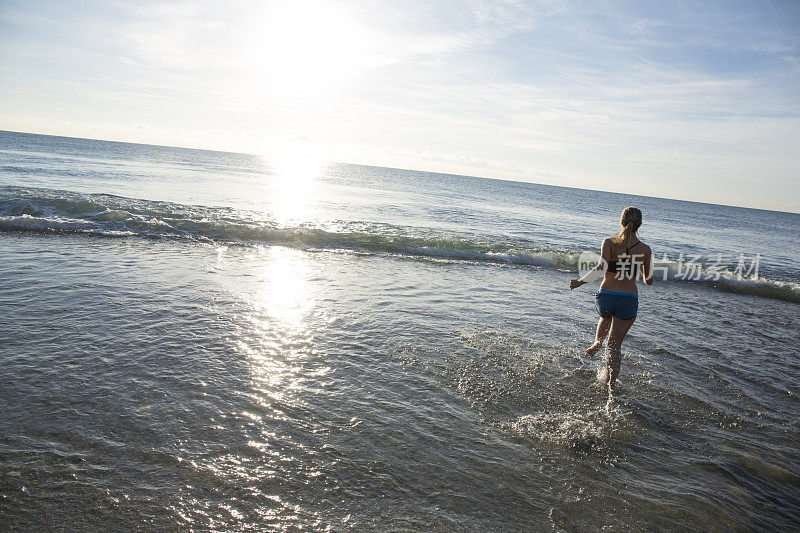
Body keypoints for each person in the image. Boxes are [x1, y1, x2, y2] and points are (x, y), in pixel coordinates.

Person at [569, 206, 653, 385]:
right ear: (640, 225)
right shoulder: (646, 249)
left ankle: (598, 341)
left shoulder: (608, 242)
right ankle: (611, 386)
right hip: (628, 299)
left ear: (621, 221)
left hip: (606, 296)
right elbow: (648, 280)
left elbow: (601, 268)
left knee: (605, 316)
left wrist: (579, 282)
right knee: (614, 347)